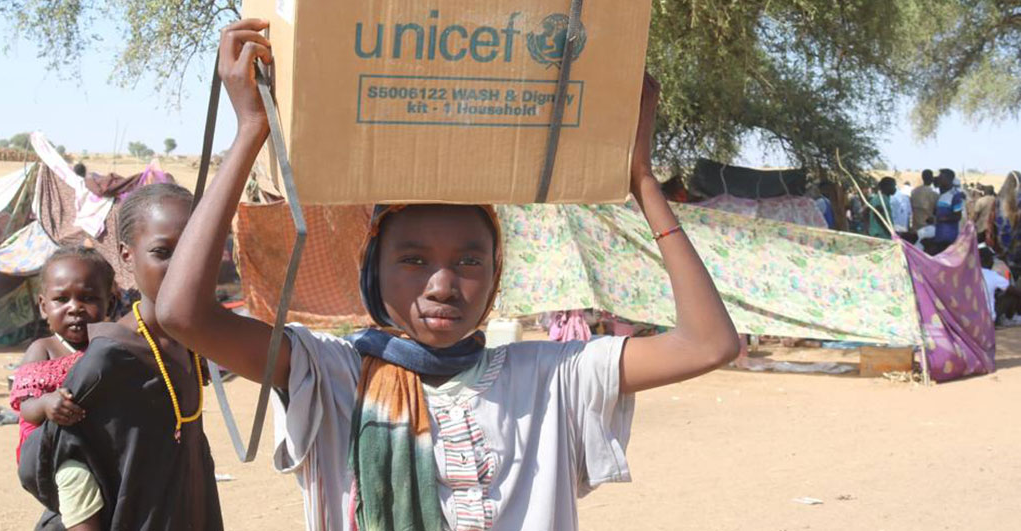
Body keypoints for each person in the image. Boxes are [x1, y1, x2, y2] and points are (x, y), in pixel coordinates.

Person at [156, 21, 739, 531]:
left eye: (468, 262)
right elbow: (183, 314)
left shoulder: (550, 378)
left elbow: (708, 343)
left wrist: (640, 179)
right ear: (373, 273)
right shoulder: (328, 374)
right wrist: (250, 132)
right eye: (412, 261)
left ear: (494, 275)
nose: (442, 284)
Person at [19, 183, 223, 530]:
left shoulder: (187, 345)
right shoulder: (107, 360)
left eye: (195, 246)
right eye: (162, 252)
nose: (184, 265)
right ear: (127, 255)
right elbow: (55, 459)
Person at [10, 246, 115, 463]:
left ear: (110, 304)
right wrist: (46, 404)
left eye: (88, 298)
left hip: (104, 444)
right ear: (43, 306)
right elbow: (26, 407)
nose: (75, 308)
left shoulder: (112, 347)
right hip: (55, 451)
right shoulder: (43, 349)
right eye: (61, 299)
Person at [932, 168, 965, 253]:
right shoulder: (942, 195)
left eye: (941, 178)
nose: (939, 180)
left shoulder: (955, 196)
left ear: (948, 179)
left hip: (949, 238)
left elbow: (958, 216)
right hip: (939, 235)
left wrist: (941, 219)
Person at [980, 245, 1014, 325]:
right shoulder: (992, 275)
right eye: (991, 258)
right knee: (1012, 295)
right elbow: (1012, 290)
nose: (992, 261)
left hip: (972, 319)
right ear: (985, 259)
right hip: (989, 319)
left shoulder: (969, 274)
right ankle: (1008, 318)